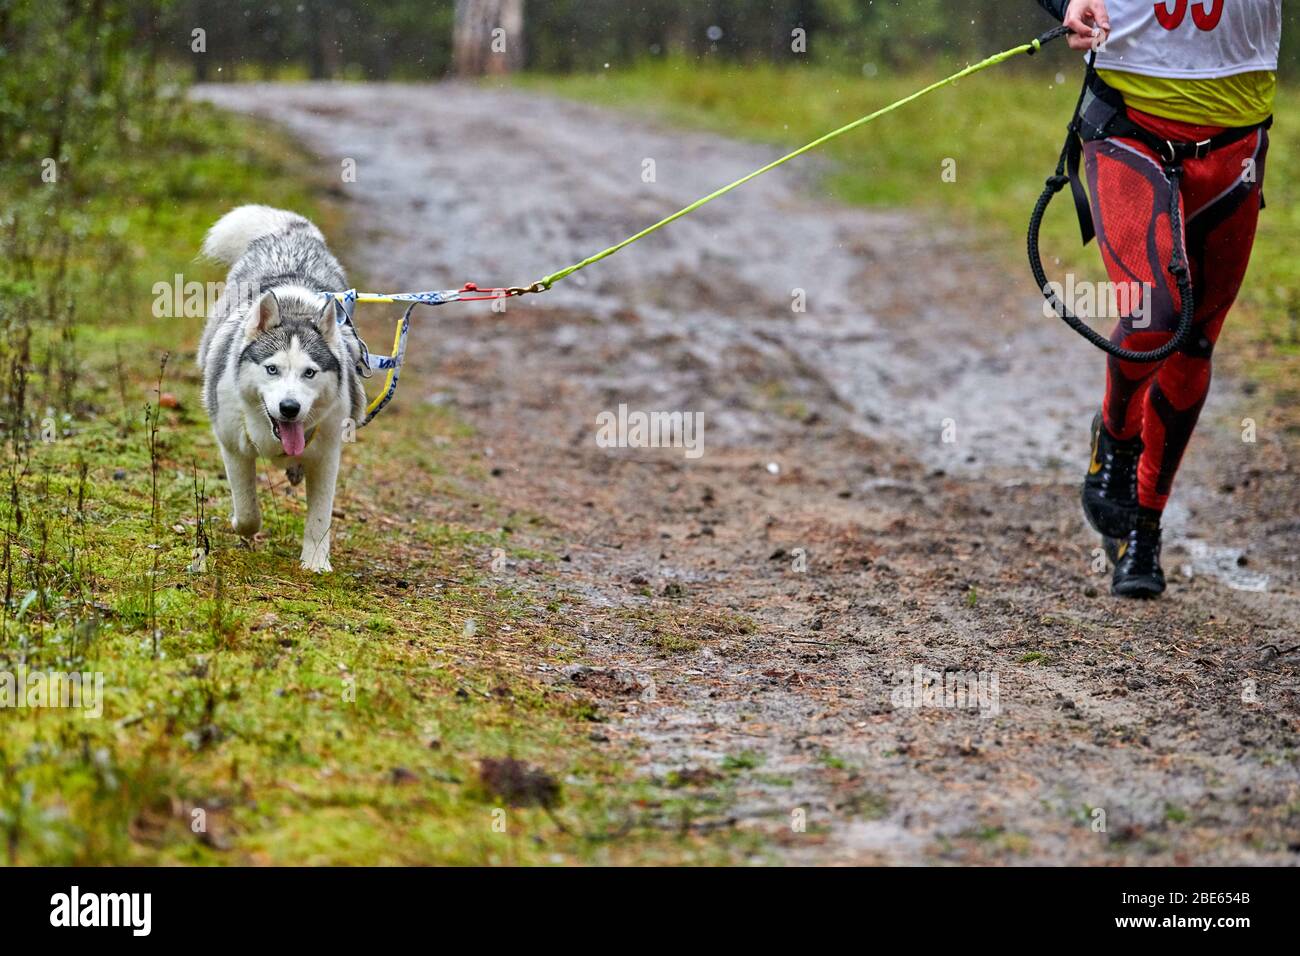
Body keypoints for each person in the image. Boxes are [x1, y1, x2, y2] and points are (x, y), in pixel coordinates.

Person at [1038, 0, 1281, 597]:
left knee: (1195, 344)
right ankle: (1116, 442)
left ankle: (1144, 525)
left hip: (1236, 144)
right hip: (1130, 123)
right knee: (1157, 314)